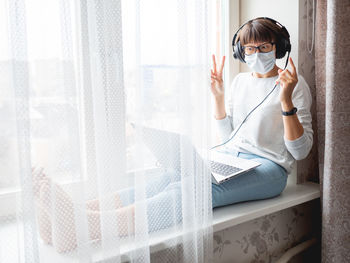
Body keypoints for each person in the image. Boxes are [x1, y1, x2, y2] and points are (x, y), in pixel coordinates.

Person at [33, 17, 313, 253]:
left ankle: (86, 225)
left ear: (280, 48)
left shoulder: (295, 85)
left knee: (195, 190)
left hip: (269, 169)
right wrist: (218, 99)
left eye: (263, 46)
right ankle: (71, 217)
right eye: (249, 49)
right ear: (241, 52)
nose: (256, 54)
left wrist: (286, 100)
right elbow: (230, 136)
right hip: (231, 159)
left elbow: (300, 152)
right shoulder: (240, 82)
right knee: (170, 177)